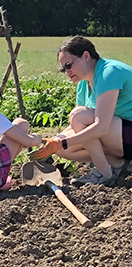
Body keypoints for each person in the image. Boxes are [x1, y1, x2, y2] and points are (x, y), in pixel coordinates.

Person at [33, 36, 132, 186]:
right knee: (63, 149)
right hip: (120, 136)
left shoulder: (109, 72)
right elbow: (76, 126)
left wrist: (62, 143)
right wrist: (53, 144)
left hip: (124, 132)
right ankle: (118, 165)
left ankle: (105, 173)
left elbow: (101, 126)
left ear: (86, 56)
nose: (67, 72)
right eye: (63, 69)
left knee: (78, 118)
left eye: (68, 65)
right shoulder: (84, 84)